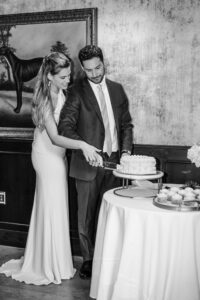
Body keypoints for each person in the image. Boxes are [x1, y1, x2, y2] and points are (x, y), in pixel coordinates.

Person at [0, 52, 102, 285]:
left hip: (58, 156)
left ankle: (55, 261)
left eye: (69, 75)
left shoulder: (62, 92)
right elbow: (55, 137)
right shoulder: (46, 99)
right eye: (64, 77)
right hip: (47, 156)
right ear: (49, 77)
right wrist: (83, 145)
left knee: (56, 207)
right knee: (52, 206)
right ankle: (46, 265)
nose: (69, 80)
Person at [58, 45, 133, 279]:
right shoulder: (75, 92)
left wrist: (127, 152)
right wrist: (85, 147)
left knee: (110, 212)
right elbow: (65, 127)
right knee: (86, 217)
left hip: (115, 162)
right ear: (82, 68)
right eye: (89, 70)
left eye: (98, 67)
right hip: (87, 164)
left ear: (103, 62)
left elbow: (126, 125)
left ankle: (108, 256)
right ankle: (89, 260)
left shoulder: (118, 90)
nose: (95, 73)